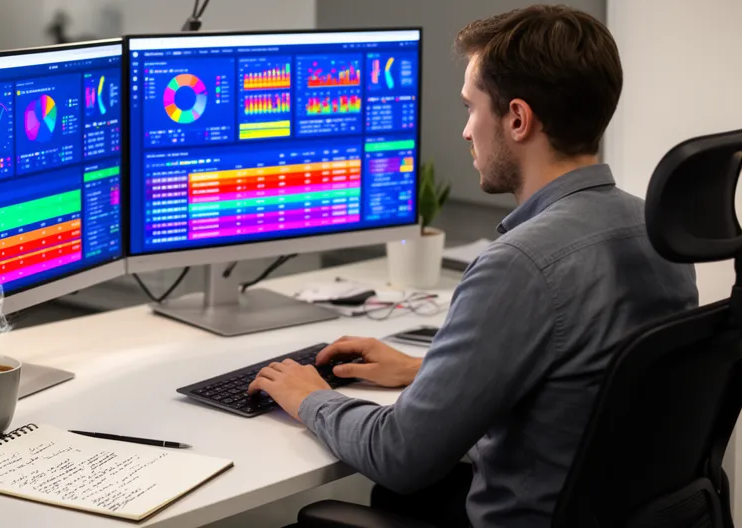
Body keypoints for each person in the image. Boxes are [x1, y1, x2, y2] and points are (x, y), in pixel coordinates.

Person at [250, 5, 698, 527]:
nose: (465, 131)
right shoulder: (655, 230)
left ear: (516, 119)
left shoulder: (520, 264)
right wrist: (429, 375)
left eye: (471, 109)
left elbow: (400, 457)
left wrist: (311, 399)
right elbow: (586, 388)